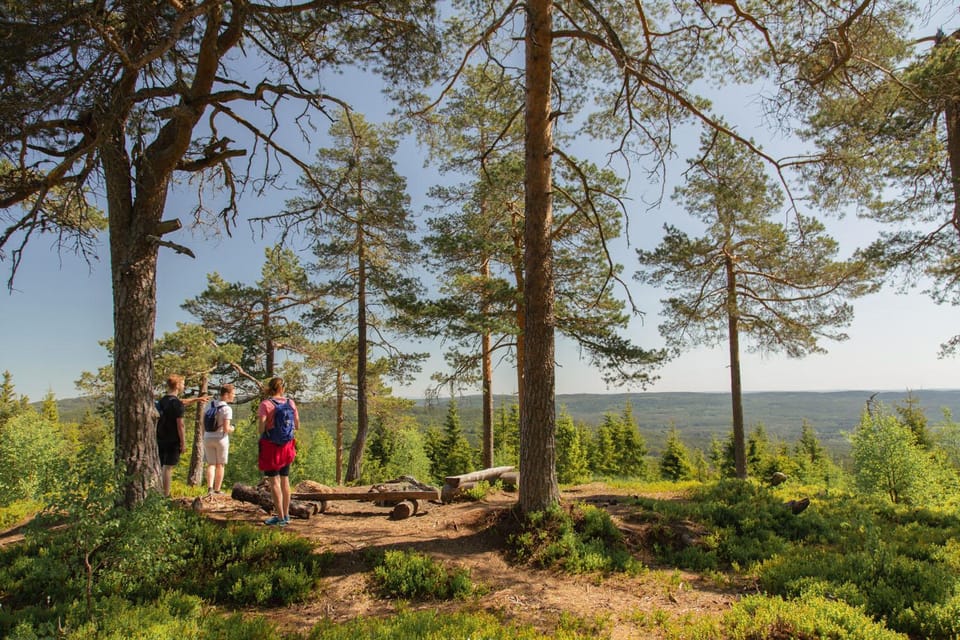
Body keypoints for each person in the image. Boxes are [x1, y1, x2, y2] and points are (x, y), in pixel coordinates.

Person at [155, 374, 207, 497]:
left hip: (160, 437)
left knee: (162, 466)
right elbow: (180, 425)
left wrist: (196, 400)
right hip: (173, 440)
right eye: (183, 383)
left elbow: (180, 402)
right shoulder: (176, 404)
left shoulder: (163, 401)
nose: (184, 386)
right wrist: (183, 443)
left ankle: (159, 492)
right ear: (178, 385)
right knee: (168, 468)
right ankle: (165, 495)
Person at [257, 377, 299, 525]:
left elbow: (261, 428)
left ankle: (280, 517)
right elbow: (297, 425)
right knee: (285, 479)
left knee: (274, 481)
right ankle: (286, 515)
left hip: (270, 446)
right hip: (287, 446)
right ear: (282, 388)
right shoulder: (290, 403)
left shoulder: (266, 404)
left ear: (270, 388)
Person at [203, 383, 236, 495]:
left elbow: (203, 423)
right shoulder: (227, 409)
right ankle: (217, 490)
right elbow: (226, 428)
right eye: (232, 394)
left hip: (207, 436)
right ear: (226, 394)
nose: (234, 396)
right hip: (220, 438)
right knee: (220, 465)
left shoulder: (210, 405)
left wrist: (206, 434)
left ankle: (209, 488)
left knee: (211, 464)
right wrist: (232, 429)